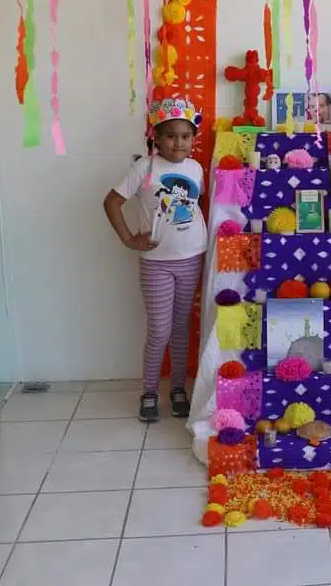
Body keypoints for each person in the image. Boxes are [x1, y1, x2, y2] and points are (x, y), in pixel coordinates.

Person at [103, 98, 208, 423]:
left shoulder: (196, 169)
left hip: (192, 258)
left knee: (180, 328)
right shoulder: (144, 168)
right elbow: (111, 202)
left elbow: (193, 207)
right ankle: (149, 391)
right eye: (171, 136)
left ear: (193, 139)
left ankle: (178, 389)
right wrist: (128, 238)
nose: (179, 142)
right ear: (157, 139)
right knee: (160, 329)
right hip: (156, 262)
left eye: (185, 136)